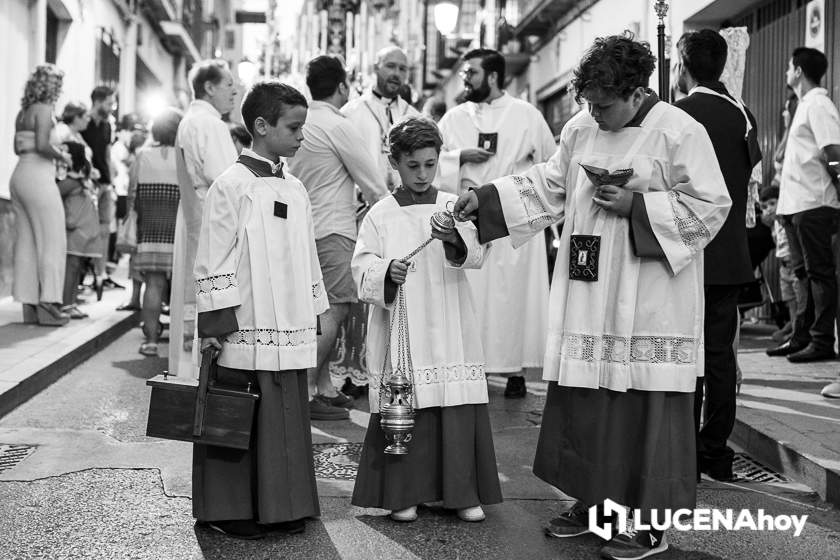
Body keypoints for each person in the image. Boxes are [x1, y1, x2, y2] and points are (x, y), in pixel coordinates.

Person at [454, 34, 731, 559]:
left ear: (635, 92)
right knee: (586, 402)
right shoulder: (582, 127)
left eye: (603, 104)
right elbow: (548, 185)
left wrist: (637, 206)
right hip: (588, 284)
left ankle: (651, 525)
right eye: (588, 102)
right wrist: (487, 198)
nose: (593, 113)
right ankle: (593, 504)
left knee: (647, 406)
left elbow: (711, 207)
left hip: (650, 295)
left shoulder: (679, 130)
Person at [350, 117, 502, 523]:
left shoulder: (453, 204)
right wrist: (386, 273)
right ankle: (405, 493)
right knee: (407, 401)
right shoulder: (379, 214)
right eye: (412, 165)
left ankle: (461, 492)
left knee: (453, 399)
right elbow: (361, 266)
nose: (421, 174)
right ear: (394, 162)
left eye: (430, 164)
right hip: (403, 324)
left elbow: (478, 253)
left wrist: (453, 237)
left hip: (450, 319)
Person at [193, 81, 326, 539]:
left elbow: (307, 253)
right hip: (245, 324)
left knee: (285, 412)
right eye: (294, 127)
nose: (301, 136)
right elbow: (213, 256)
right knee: (238, 414)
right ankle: (228, 510)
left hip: (288, 323)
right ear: (262, 126)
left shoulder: (296, 187)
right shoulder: (231, 185)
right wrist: (213, 325)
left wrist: (314, 309)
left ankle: (283, 505)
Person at [436, 48, 555, 398]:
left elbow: (550, 164)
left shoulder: (527, 114)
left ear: (491, 76)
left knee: (514, 299)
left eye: (471, 72)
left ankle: (515, 369)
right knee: (474, 296)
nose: (464, 79)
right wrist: (459, 157)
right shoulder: (454, 117)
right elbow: (431, 158)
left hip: (514, 218)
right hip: (471, 217)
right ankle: (476, 365)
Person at [674, 29, 762, 483]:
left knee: (684, 353)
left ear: (682, 65)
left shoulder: (676, 115)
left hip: (686, 248)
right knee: (720, 355)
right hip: (729, 253)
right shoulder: (742, 113)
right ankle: (715, 451)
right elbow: (750, 172)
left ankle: (683, 448)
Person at [287, 54, 390, 420]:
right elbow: (374, 184)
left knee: (315, 309)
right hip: (333, 228)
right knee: (336, 306)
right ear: (343, 86)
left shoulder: (300, 121)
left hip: (300, 228)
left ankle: (325, 385)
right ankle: (306, 392)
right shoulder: (338, 124)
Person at [766, 47, 840, 367]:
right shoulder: (804, 105)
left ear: (798, 70)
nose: (785, 72)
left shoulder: (820, 104)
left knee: (819, 274)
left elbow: (834, 151)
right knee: (802, 276)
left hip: (815, 204)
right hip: (796, 206)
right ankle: (801, 337)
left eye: (788, 67)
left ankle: (822, 341)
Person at [169, 59, 238, 378]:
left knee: (195, 283)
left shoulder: (191, 119)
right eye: (228, 85)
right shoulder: (209, 123)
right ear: (209, 88)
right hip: (210, 211)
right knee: (210, 285)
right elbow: (227, 178)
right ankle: (208, 372)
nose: (234, 91)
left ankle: (192, 366)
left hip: (194, 207)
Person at [10, 64, 70, 326]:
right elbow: (44, 145)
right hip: (38, 176)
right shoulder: (45, 110)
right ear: (51, 86)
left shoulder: (23, 112)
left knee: (26, 242)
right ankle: (49, 302)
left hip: (19, 175)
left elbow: (16, 147)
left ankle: (28, 304)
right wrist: (63, 155)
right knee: (52, 239)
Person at [129, 108, 183, 357]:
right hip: (178, 230)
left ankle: (150, 341)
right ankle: (180, 342)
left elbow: (133, 195)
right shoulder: (184, 157)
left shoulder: (142, 156)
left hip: (149, 230)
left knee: (153, 284)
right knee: (181, 289)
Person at [342, 46, 421, 191]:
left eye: (402, 69)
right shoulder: (351, 113)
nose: (396, 74)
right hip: (363, 205)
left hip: (406, 204)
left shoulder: (414, 117)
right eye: (390, 66)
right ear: (376, 68)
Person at [58, 141, 101, 319]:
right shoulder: (74, 181)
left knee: (75, 267)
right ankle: (67, 304)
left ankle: (70, 303)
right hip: (76, 229)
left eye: (64, 152)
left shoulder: (76, 181)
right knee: (72, 266)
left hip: (79, 229)